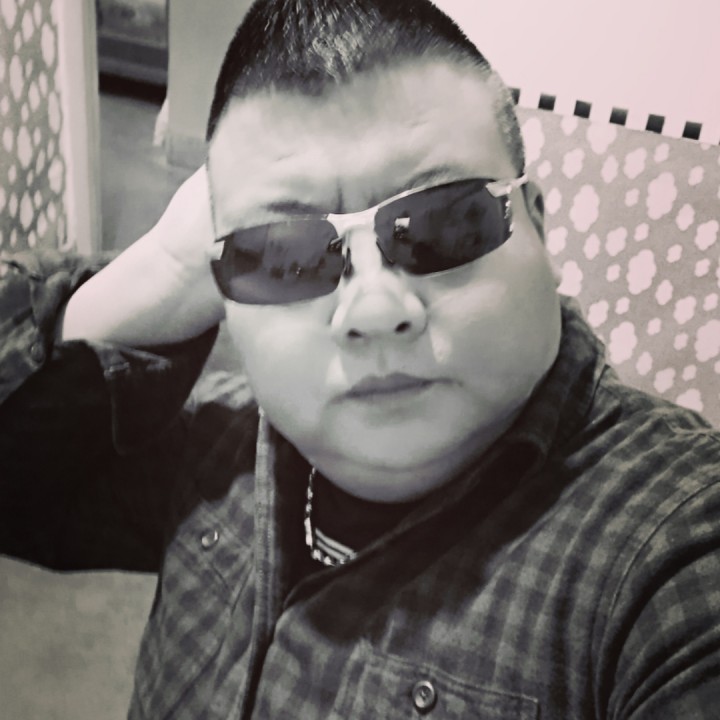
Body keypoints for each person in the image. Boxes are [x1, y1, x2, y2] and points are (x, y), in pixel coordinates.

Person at [1, 0, 719, 717]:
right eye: (284, 257)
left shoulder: (673, 543)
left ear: (535, 224)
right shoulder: (215, 448)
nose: (375, 310)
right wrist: (163, 264)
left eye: (445, 225)